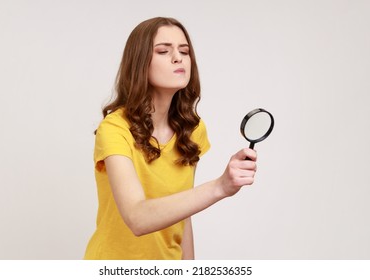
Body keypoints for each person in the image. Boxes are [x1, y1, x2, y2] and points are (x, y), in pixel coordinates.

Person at [84, 17, 257, 260]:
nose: (178, 57)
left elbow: (182, 214)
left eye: (184, 51)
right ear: (140, 63)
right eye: (164, 51)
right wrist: (220, 186)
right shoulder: (114, 128)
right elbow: (137, 218)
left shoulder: (192, 130)